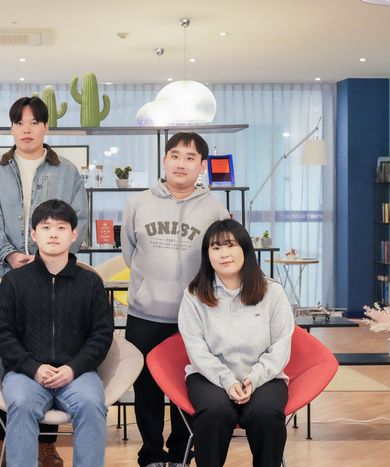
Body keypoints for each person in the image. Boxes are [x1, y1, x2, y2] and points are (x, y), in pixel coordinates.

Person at [0, 96, 88, 467]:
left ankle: (45, 445)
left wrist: (46, 258)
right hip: (4, 276)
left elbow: (79, 220)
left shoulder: (67, 171)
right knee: (9, 358)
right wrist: (8, 253)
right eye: (19, 122)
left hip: (54, 277)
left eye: (34, 122)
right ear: (11, 128)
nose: (26, 129)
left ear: (45, 127)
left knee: (52, 352)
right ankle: (7, 441)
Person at [121, 131, 229, 467]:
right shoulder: (138, 203)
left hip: (195, 317)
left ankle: (182, 452)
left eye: (190, 157)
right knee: (147, 389)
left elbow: (222, 259)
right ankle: (151, 454)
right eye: (175, 156)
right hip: (144, 314)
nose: (181, 163)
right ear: (164, 160)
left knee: (189, 388)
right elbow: (129, 252)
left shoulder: (215, 209)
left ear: (202, 166)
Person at [0, 199, 114, 467]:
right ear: (34, 234)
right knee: (21, 403)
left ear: (73, 234)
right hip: (26, 373)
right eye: (46, 227)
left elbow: (102, 335)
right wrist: (33, 368)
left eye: (61, 227)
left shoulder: (90, 282)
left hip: (77, 374)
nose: (54, 234)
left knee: (92, 405)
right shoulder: (14, 281)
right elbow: (3, 334)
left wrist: (73, 368)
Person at [178, 219, 294, 467]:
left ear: (245, 249)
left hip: (264, 377)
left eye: (230, 245)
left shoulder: (272, 291)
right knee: (214, 412)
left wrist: (254, 378)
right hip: (210, 376)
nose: (223, 254)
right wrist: (228, 381)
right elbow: (197, 349)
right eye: (215, 247)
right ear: (207, 255)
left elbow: (281, 345)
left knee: (265, 414)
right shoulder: (194, 295)